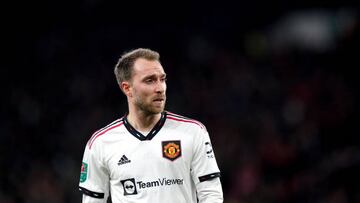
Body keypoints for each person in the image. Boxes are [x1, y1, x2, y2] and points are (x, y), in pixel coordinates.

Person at [78, 48, 223, 202]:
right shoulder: (101, 143)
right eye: (150, 80)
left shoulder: (193, 132)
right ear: (127, 88)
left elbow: (211, 194)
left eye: (162, 79)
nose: (160, 88)